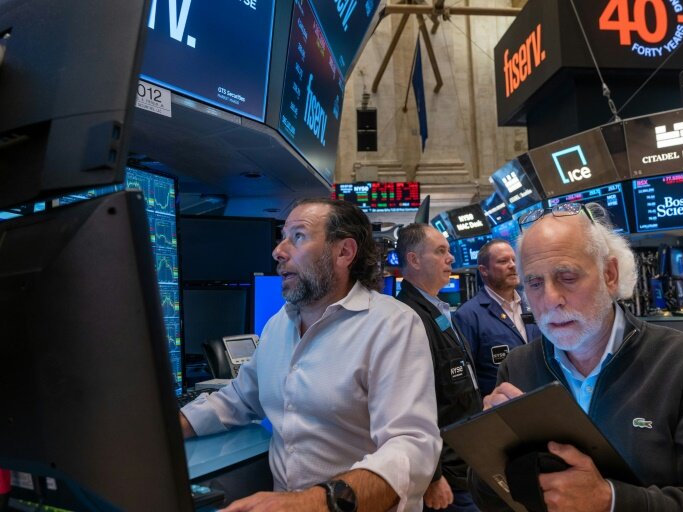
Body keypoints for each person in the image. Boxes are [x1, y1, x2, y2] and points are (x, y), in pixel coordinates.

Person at [470, 202, 683, 511]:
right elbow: (490, 498)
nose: (550, 299)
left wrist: (611, 500)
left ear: (609, 275)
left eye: (567, 277)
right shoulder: (518, 367)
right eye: (534, 282)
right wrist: (492, 445)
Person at [180, 199, 441, 512]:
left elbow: (412, 447)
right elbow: (238, 399)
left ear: (344, 252)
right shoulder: (280, 323)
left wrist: (313, 503)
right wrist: (166, 426)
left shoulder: (391, 324)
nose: (279, 250)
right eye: (283, 236)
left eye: (298, 236)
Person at [396, 223, 483, 512]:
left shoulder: (437, 309)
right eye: (441, 251)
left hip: (466, 462)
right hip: (446, 476)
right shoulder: (408, 319)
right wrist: (433, 476)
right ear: (414, 259)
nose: (451, 259)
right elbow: (409, 407)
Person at [453, 239, 540, 396]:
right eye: (503, 261)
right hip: (502, 407)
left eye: (514, 260)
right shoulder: (468, 315)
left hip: (543, 396)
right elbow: (466, 377)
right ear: (484, 270)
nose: (513, 265)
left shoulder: (534, 302)